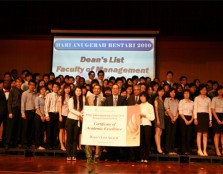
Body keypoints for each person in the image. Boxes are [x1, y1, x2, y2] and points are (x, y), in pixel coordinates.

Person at [103, 84, 126, 161]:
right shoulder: (107, 99)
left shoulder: (123, 99)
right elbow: (105, 110)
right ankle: (109, 156)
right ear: (112, 90)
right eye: (114, 88)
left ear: (119, 90)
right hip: (110, 122)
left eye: (117, 88)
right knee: (110, 139)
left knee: (117, 139)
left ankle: (117, 156)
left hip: (119, 123)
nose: (115, 90)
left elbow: (124, 110)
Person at [85, 84, 105, 160]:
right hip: (89, 120)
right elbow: (85, 108)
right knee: (88, 137)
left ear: (100, 90)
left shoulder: (103, 98)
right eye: (95, 88)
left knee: (98, 138)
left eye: (98, 89)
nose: (96, 90)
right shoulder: (88, 98)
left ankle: (97, 155)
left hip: (99, 121)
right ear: (92, 90)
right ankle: (88, 155)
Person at [66, 86, 84, 161]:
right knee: (69, 138)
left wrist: (82, 113)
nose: (78, 92)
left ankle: (74, 155)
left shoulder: (82, 99)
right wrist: (79, 114)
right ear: (74, 91)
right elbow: (71, 109)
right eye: (77, 91)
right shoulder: (71, 99)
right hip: (70, 119)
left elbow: (83, 108)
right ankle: (68, 155)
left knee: (75, 138)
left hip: (77, 121)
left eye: (80, 91)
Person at [194, 84, 212, 156]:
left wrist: (210, 120)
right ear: (200, 90)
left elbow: (210, 110)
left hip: (206, 116)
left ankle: (204, 150)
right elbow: (195, 108)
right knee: (199, 133)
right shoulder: (197, 98)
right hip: (199, 115)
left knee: (205, 134)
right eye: (202, 89)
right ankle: (199, 149)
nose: (203, 91)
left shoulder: (208, 99)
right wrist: (195, 118)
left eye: (205, 89)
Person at [5, 78, 23, 149]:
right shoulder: (12, 90)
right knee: (10, 127)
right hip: (13, 110)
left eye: (20, 82)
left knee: (17, 128)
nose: (18, 83)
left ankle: (15, 143)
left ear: (21, 83)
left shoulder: (22, 91)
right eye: (17, 82)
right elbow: (9, 102)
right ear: (15, 83)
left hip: (20, 110)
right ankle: (7, 143)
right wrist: (10, 112)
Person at [139, 92, 155, 164]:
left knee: (147, 142)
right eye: (141, 96)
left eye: (143, 96)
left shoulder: (150, 106)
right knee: (141, 142)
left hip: (147, 124)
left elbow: (152, 117)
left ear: (146, 97)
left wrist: (145, 115)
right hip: (140, 124)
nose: (142, 98)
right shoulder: (138, 106)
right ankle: (142, 157)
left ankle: (147, 157)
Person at [21, 80, 37, 149]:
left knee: (31, 128)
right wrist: (23, 113)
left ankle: (29, 143)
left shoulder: (36, 94)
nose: (32, 86)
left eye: (33, 85)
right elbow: (22, 103)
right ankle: (24, 143)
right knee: (25, 128)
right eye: (31, 85)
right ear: (28, 85)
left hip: (33, 112)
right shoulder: (25, 93)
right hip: (27, 112)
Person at [44, 82, 60, 150]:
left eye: (57, 87)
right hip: (50, 114)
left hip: (57, 114)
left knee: (55, 130)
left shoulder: (59, 96)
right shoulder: (49, 95)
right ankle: (48, 144)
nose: (55, 88)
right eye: (54, 87)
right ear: (52, 88)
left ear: (58, 88)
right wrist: (47, 115)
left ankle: (54, 144)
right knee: (49, 130)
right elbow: (46, 105)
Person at [178, 89, 194, 155]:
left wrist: (191, 120)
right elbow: (180, 112)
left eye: (188, 93)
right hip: (183, 118)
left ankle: (189, 150)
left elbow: (194, 112)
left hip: (190, 118)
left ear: (190, 94)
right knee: (183, 135)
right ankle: (183, 151)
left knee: (189, 135)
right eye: (185, 93)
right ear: (183, 94)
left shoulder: (192, 102)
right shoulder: (181, 101)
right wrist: (185, 120)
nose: (186, 94)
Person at [164, 88, 179, 155]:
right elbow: (167, 109)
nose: (173, 93)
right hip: (168, 118)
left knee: (173, 134)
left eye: (174, 92)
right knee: (168, 133)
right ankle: (167, 149)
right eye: (171, 92)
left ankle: (172, 149)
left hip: (175, 118)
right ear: (169, 93)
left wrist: (175, 118)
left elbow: (179, 110)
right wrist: (172, 117)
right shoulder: (167, 99)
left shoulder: (177, 101)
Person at [58, 84, 71, 151]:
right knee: (61, 130)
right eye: (66, 88)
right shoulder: (61, 97)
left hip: (68, 116)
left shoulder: (70, 97)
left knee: (66, 131)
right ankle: (62, 145)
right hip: (62, 115)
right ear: (64, 89)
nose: (67, 89)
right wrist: (60, 116)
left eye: (68, 88)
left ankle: (66, 145)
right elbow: (59, 107)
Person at [211, 86, 223, 156]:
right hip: (216, 117)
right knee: (217, 134)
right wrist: (217, 119)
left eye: (221, 90)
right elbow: (212, 109)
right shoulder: (214, 99)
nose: (220, 91)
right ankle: (217, 150)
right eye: (219, 90)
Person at [35, 86, 46, 150]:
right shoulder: (37, 98)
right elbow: (37, 108)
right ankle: (37, 145)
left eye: (44, 89)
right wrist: (41, 116)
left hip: (44, 116)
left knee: (42, 131)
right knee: (38, 130)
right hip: (38, 116)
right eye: (42, 89)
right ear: (40, 91)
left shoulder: (46, 98)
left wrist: (44, 116)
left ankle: (42, 144)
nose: (43, 90)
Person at [154, 87, 165, 154]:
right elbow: (156, 109)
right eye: (160, 91)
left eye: (162, 91)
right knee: (157, 133)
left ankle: (159, 147)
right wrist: (157, 119)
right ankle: (158, 148)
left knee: (160, 133)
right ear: (157, 92)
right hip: (158, 117)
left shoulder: (163, 99)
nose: (161, 92)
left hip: (162, 117)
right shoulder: (156, 99)